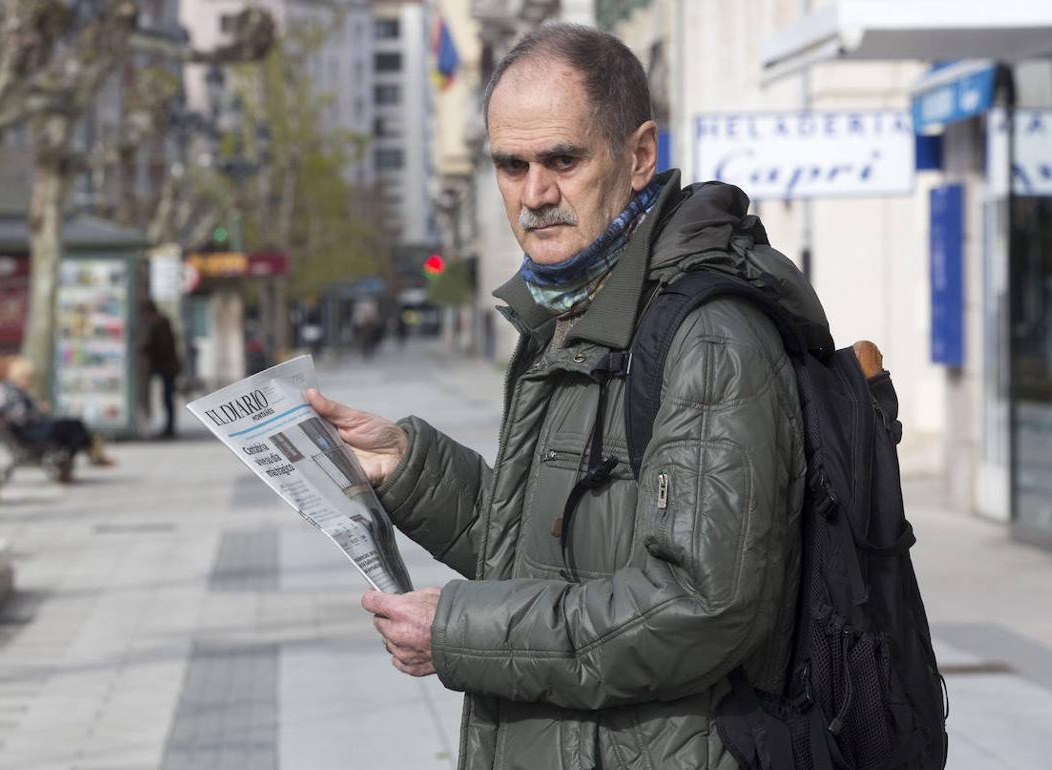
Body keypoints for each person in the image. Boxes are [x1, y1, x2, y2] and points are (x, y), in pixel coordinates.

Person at [306, 24, 830, 770]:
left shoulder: (708, 338)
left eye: (563, 160)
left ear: (639, 156)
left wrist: (458, 632)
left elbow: (698, 608)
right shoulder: (573, 308)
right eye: (511, 166)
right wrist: (405, 467)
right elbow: (554, 554)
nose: (535, 194)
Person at [0, 356, 115, 478]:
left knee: (75, 425)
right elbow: (21, 417)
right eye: (28, 378)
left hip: (32, 429)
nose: (30, 381)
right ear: (20, 376)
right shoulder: (12, 393)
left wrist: (37, 409)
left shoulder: (14, 391)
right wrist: (38, 410)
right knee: (75, 427)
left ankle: (81, 456)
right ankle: (86, 454)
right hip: (31, 432)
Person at [139, 300, 181, 438]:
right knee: (167, 397)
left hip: (167, 366)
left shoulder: (159, 324)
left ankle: (169, 428)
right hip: (167, 366)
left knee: (167, 397)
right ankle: (169, 427)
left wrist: (146, 348)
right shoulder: (161, 324)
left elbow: (162, 347)